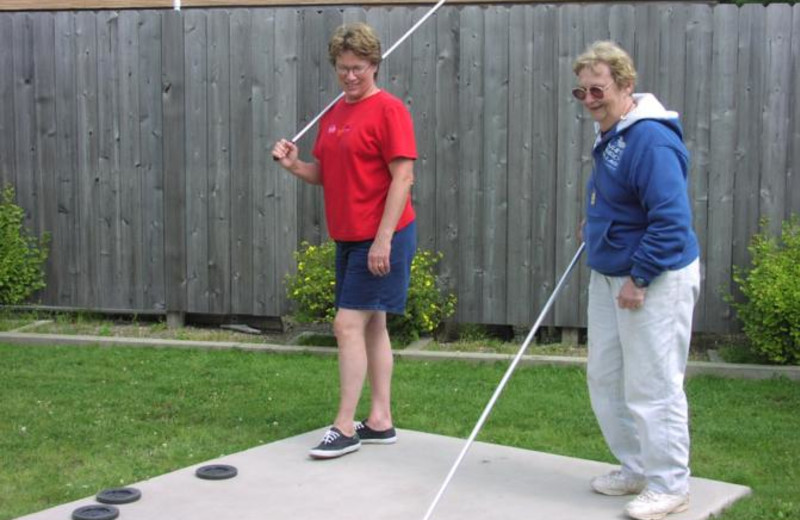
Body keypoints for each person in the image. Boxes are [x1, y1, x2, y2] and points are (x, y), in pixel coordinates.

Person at [272, 22, 417, 460]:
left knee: (346, 325)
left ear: (374, 65)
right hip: (348, 237)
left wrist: (383, 240)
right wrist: (296, 166)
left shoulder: (389, 110)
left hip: (382, 236)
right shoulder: (334, 114)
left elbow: (403, 177)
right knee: (372, 325)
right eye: (343, 68)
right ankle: (380, 421)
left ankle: (344, 427)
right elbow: (329, 175)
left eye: (358, 68)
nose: (350, 76)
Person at [572, 41, 701, 520]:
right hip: (609, 275)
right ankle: (637, 467)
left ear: (626, 85)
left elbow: (671, 220)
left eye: (598, 89)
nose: (589, 99)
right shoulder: (613, 131)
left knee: (654, 384)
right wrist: (596, 220)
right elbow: (619, 192)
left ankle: (670, 484)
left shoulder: (650, 138)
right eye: (581, 91)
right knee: (605, 378)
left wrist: (640, 277)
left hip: (653, 278)